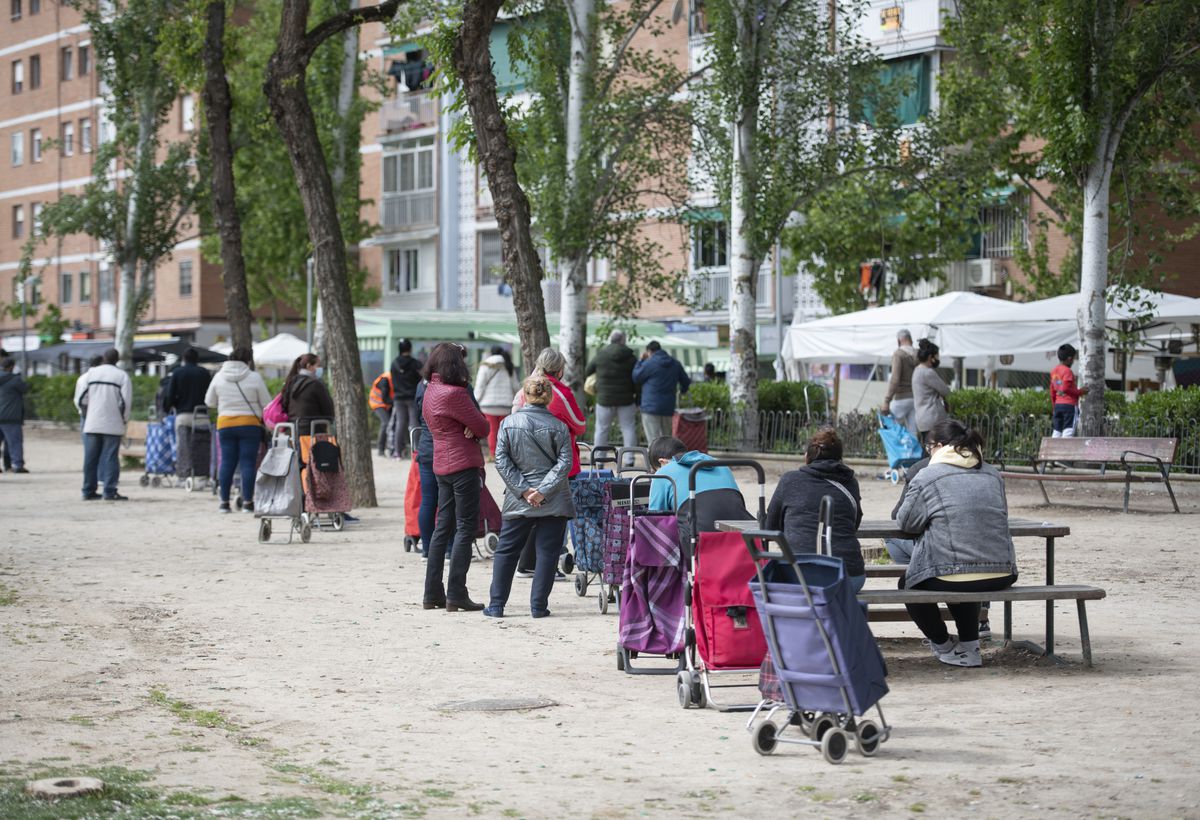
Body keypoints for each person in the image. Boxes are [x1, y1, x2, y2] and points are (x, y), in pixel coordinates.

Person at [895, 419, 1017, 668]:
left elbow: (905, 522)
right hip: (1002, 572)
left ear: (939, 446)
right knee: (964, 572)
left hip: (955, 571)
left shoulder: (927, 476)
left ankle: (944, 645)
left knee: (911, 583)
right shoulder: (993, 474)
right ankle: (970, 647)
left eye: (929, 447)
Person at [485, 376, 576, 618]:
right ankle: (538, 606)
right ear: (549, 397)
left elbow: (501, 461)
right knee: (547, 552)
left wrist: (524, 490)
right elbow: (565, 462)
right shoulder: (559, 425)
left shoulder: (508, 423)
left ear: (524, 396)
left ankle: (496, 605)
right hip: (553, 498)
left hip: (518, 499)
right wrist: (542, 491)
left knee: (506, 551)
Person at [421, 342, 491, 611]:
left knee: (442, 528)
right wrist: (470, 428)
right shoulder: (455, 394)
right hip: (463, 464)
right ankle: (456, 592)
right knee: (465, 528)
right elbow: (483, 426)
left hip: (441, 464)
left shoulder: (430, 391)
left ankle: (432, 593)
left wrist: (468, 427)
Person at [512, 347, 586, 578]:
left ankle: (526, 563)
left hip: (527, 458)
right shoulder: (559, 392)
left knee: (534, 512)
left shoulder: (525, 388)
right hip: (557, 459)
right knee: (556, 515)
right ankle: (549, 564)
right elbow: (579, 424)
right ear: (559, 369)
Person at [765, 428, 866, 593]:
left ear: (806, 457)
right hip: (851, 575)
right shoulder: (850, 482)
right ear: (840, 459)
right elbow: (853, 524)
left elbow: (770, 528)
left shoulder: (789, 480)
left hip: (801, 574)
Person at [205, 346, 273, 513]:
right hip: (250, 424)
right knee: (248, 463)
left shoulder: (219, 377)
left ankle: (224, 503)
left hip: (226, 424)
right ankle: (248, 503)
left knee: (227, 462)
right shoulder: (254, 377)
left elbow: (209, 402)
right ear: (248, 361)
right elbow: (266, 402)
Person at [73, 348, 133, 501]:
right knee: (111, 457)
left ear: (104, 357)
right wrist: (123, 420)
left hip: (92, 422)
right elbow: (126, 402)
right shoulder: (122, 376)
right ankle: (109, 491)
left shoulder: (90, 375)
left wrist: (87, 414)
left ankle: (88, 490)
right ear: (117, 359)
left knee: (90, 458)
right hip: (113, 423)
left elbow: (81, 399)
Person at [646, 435, 739, 512]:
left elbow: (654, 519)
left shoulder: (663, 472)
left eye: (656, 470)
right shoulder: (721, 465)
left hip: (698, 530)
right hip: (737, 526)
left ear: (662, 462)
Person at [585, 330, 637, 454]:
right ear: (623, 340)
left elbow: (587, 371)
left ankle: (599, 458)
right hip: (626, 400)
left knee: (602, 429)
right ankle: (629, 459)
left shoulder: (601, 355)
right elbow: (638, 378)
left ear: (611, 340)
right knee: (628, 428)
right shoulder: (631, 358)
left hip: (604, 399)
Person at [633, 340, 690, 444]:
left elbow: (636, 377)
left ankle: (654, 460)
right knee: (666, 440)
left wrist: (640, 360)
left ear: (649, 351)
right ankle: (666, 460)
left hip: (650, 407)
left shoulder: (648, 363)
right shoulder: (675, 363)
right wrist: (683, 391)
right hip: (668, 407)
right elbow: (686, 381)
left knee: (653, 441)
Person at [474, 345, 520, 456]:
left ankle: (493, 454)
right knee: (503, 430)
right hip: (505, 405)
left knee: (492, 430)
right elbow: (516, 386)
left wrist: (475, 400)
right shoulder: (508, 365)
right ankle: (503, 454)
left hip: (488, 405)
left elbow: (480, 386)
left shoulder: (485, 365)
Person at [413, 376, 439, 557]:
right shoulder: (458, 386)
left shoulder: (422, 385)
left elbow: (417, 415)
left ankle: (427, 548)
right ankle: (449, 548)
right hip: (448, 451)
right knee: (449, 502)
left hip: (426, 448)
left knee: (428, 500)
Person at [280, 353, 334, 437]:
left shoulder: (290, 383)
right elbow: (328, 410)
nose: (320, 369)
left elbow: (284, 405)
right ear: (309, 366)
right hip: (313, 432)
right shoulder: (316, 384)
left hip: (292, 431)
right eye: (318, 365)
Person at [165, 347, 213, 433]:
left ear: (184, 359)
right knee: (202, 444)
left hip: (183, 415)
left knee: (183, 445)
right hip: (201, 415)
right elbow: (211, 394)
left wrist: (170, 407)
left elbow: (170, 395)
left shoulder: (177, 372)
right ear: (197, 359)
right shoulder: (204, 373)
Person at [390, 339, 423, 459]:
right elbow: (422, 379)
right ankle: (416, 451)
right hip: (412, 397)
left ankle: (397, 452)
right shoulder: (416, 364)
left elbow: (392, 381)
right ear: (410, 348)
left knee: (400, 424)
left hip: (398, 398)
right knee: (414, 424)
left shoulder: (394, 363)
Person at [882, 329, 919, 437]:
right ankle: (913, 453)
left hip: (902, 397)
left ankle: (895, 451)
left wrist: (887, 400)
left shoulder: (898, 354)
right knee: (913, 430)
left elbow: (895, 379)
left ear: (899, 340)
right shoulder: (918, 354)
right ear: (910, 340)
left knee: (889, 424)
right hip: (915, 397)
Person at [912, 338, 950, 442]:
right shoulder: (928, 372)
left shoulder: (917, 370)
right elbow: (945, 390)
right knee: (934, 451)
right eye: (937, 356)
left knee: (928, 449)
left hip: (922, 417)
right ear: (930, 357)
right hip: (932, 418)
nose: (937, 359)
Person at [1050, 343, 1088, 438]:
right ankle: (1064, 452)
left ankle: (1054, 451)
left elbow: (1052, 390)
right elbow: (1066, 388)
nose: (1073, 362)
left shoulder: (1054, 371)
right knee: (1068, 430)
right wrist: (1081, 392)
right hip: (1069, 406)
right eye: (1073, 359)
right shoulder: (1067, 371)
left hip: (1058, 405)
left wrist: (1054, 406)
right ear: (1069, 358)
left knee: (1057, 431)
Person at [0, 358, 30, 473]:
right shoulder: (15, 379)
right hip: (11, 416)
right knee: (14, 442)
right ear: (11, 366)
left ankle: (7, 466)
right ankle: (17, 465)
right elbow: (25, 388)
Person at [369, 370, 394, 456]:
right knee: (386, 423)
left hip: (387, 404)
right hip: (377, 403)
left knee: (393, 424)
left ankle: (393, 448)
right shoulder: (385, 380)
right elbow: (385, 398)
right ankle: (380, 449)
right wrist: (396, 402)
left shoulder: (395, 377)